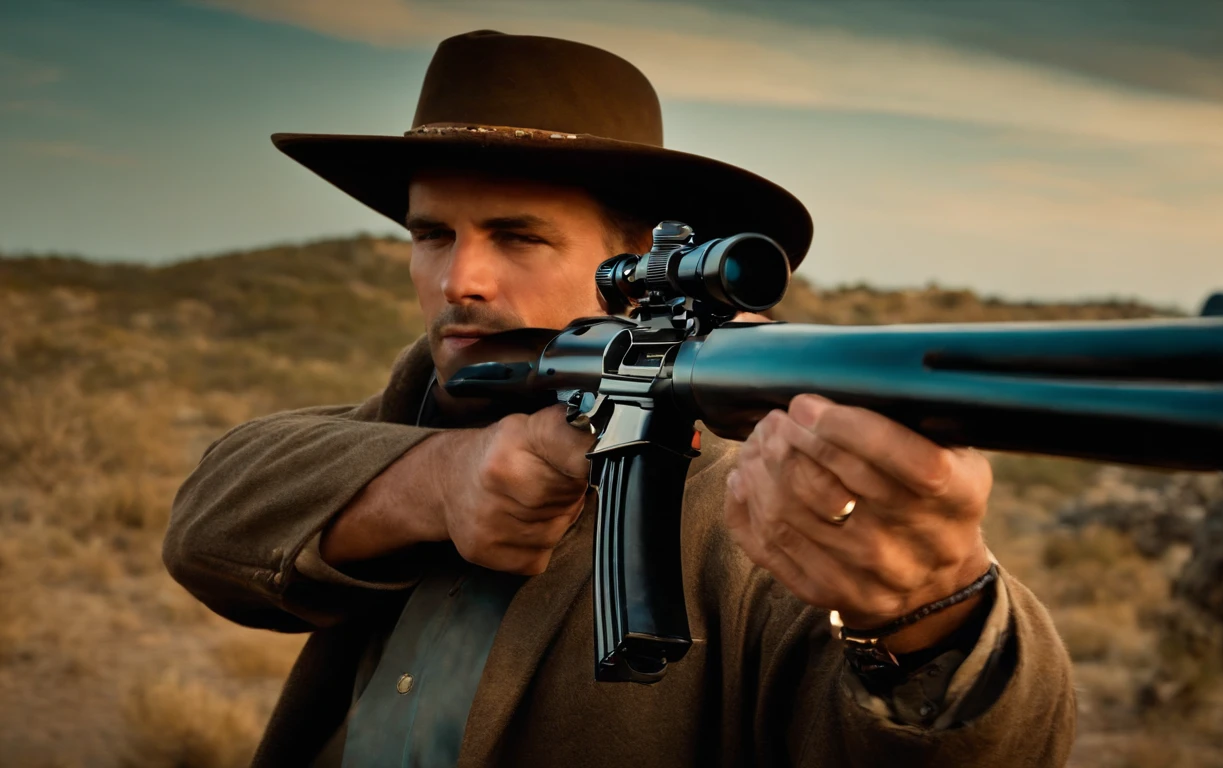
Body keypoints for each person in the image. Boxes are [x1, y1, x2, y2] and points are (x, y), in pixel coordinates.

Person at [164, 30, 1075, 767]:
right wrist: (444, 480)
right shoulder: (409, 425)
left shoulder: (753, 506)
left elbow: (987, 748)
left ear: (631, 271)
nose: (459, 280)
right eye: (433, 234)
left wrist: (934, 614)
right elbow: (212, 519)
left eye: (518, 237)